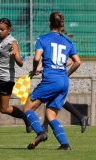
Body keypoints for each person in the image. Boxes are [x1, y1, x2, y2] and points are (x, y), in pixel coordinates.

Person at [23, 11, 81, 150]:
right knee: (50, 114)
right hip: (63, 82)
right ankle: (65, 144)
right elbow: (77, 62)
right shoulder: (68, 41)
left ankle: (41, 133)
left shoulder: (43, 39)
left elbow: (37, 58)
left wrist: (34, 70)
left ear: (49, 23)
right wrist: (66, 75)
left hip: (50, 80)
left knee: (27, 108)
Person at [36, 58, 89, 134]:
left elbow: (70, 61)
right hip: (53, 78)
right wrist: (38, 68)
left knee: (52, 99)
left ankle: (45, 126)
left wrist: (57, 66)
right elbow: (44, 58)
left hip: (58, 79)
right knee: (55, 100)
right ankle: (81, 117)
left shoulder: (64, 47)